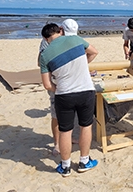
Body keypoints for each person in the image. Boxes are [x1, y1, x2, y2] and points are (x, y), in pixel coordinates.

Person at [40, 23, 99, 176]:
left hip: (64, 94)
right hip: (85, 90)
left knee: (65, 130)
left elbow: (47, 84)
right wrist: (81, 65)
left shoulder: (45, 55)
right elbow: (94, 52)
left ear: (45, 39)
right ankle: (84, 161)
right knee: (86, 126)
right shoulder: (76, 40)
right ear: (60, 31)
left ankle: (65, 166)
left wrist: (58, 88)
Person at [37, 19, 79, 156]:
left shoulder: (66, 39)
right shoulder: (45, 43)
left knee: (69, 114)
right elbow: (40, 62)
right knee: (56, 115)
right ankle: (56, 143)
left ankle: (67, 138)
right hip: (56, 84)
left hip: (69, 82)